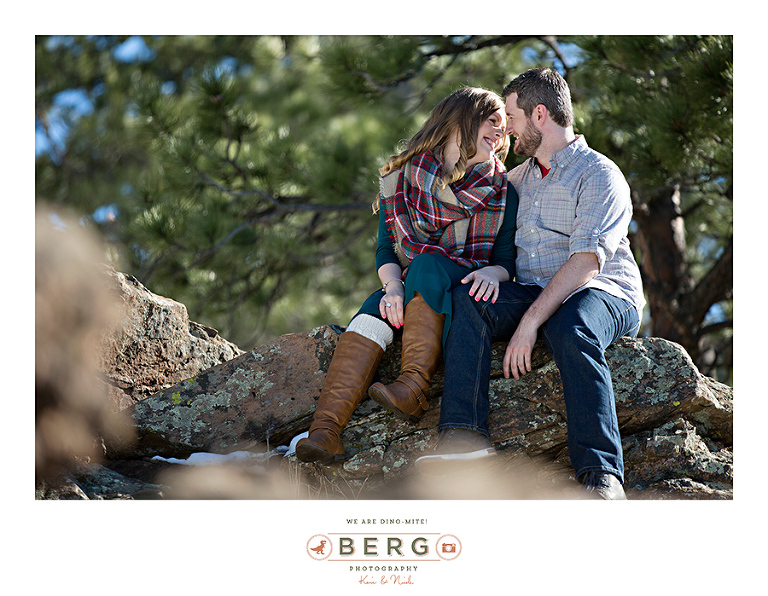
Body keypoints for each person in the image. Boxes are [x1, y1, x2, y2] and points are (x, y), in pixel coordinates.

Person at [414, 68, 645, 500]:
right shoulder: (514, 181)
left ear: (540, 115)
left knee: (570, 327)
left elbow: (586, 263)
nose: (508, 132)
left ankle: (602, 476)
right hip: (536, 291)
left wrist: (529, 323)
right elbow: (456, 198)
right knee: (472, 298)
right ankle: (463, 439)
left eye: (514, 119)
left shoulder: (599, 173)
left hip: (602, 292)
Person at [296, 87, 518, 465]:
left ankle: (414, 386)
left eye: (505, 129)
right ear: (459, 120)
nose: (501, 133)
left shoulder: (503, 191)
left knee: (428, 263)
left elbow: (505, 260)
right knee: (371, 310)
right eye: (492, 121)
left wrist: (494, 275)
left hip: (464, 283)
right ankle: (325, 431)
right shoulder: (400, 178)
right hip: (415, 281)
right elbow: (386, 250)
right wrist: (393, 288)